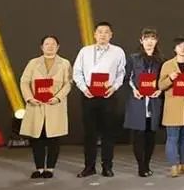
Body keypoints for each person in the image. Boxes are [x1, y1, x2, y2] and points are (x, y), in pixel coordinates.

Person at [72, 21, 127, 178]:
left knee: (108, 133)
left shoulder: (118, 52)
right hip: (88, 96)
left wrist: (114, 87)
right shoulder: (85, 51)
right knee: (89, 134)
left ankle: (107, 166)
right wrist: (84, 88)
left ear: (111, 35)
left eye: (106, 32)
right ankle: (89, 167)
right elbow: (77, 72)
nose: (103, 35)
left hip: (108, 96)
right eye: (100, 32)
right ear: (95, 34)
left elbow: (121, 73)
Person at [19, 35, 72, 179]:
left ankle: (50, 168)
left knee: (53, 138)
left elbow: (68, 84)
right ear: (42, 47)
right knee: (37, 138)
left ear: (58, 47)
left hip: (55, 105)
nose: (50, 46)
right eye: (47, 44)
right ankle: (39, 168)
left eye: (53, 44)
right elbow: (24, 81)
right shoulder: (33, 63)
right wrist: (29, 98)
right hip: (36, 105)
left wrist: (57, 98)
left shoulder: (65, 63)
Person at [123, 28, 163, 177]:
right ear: (141, 41)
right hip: (138, 101)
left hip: (153, 101)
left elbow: (163, 80)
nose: (149, 42)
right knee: (138, 135)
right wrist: (134, 90)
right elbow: (126, 78)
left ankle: (147, 164)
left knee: (150, 136)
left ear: (156, 41)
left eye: (152, 38)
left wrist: (159, 90)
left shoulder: (160, 60)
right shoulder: (133, 59)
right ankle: (141, 167)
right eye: (146, 39)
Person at [159, 37, 184, 178]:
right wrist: (170, 78)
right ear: (175, 49)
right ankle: (173, 166)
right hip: (173, 106)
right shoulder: (167, 65)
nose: (182, 48)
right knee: (172, 137)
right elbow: (160, 86)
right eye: (179, 46)